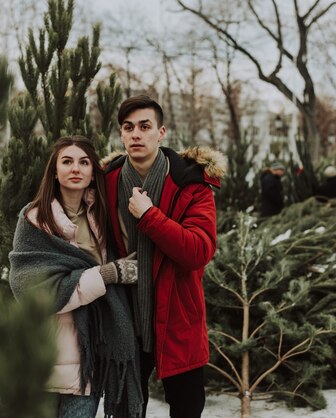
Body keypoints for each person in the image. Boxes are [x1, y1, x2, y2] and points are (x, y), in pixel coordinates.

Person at [103, 95, 224, 418]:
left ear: (162, 132)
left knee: (186, 410)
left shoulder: (191, 183)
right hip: (126, 320)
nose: (136, 134)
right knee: (124, 412)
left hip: (177, 320)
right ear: (121, 134)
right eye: (128, 128)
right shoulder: (107, 181)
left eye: (145, 126)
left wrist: (150, 216)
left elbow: (198, 251)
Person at [8, 135, 143, 418]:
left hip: (88, 357)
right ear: (54, 171)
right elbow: (33, 291)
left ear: (93, 172)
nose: (75, 168)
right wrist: (107, 274)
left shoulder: (103, 217)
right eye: (66, 161)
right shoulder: (33, 219)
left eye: (84, 162)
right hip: (45, 355)